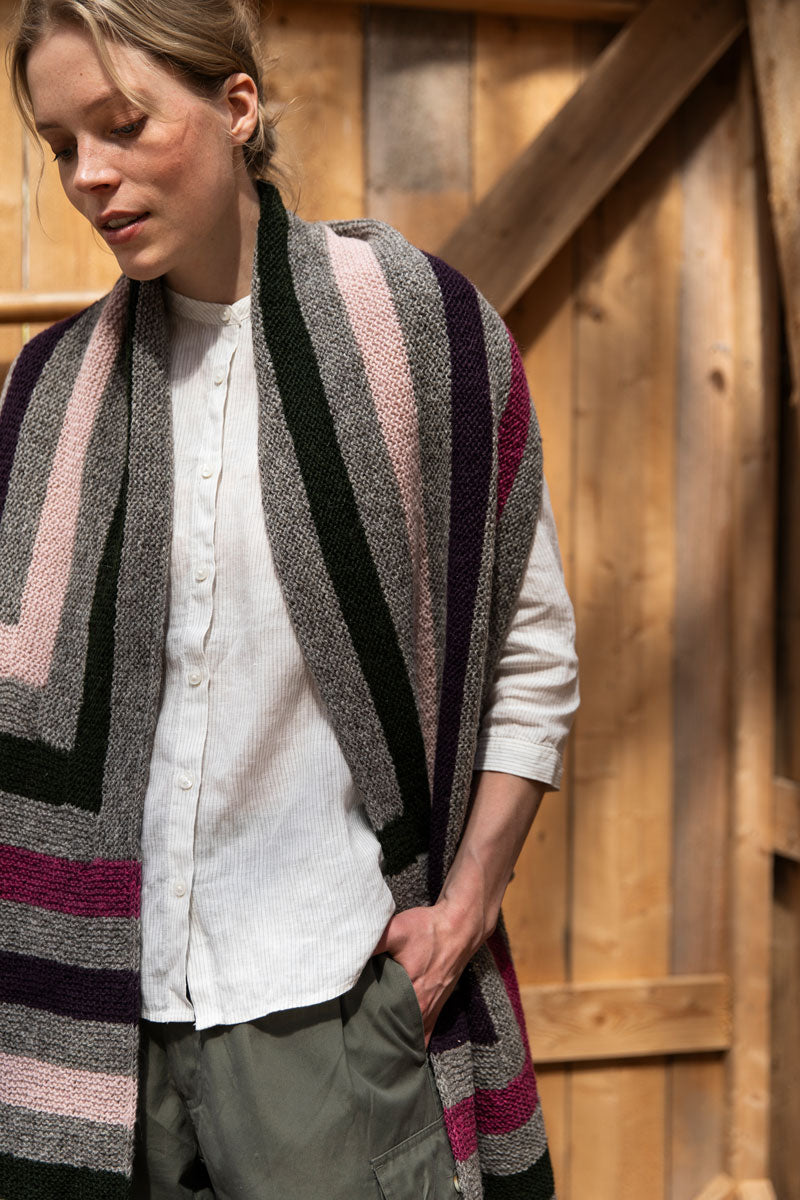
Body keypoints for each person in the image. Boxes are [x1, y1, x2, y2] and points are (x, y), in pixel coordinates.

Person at [0, 1, 578, 1197]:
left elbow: (529, 649)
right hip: (91, 1030)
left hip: (330, 1012)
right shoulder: (47, 394)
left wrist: (462, 914)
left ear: (237, 105)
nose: (90, 175)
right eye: (61, 145)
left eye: (122, 125)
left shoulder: (414, 333)